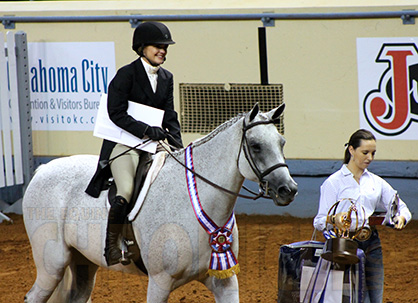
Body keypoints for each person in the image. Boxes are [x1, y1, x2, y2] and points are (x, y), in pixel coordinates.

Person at [85, 21, 183, 266]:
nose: (163, 50)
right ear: (142, 47)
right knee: (127, 189)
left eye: (165, 47)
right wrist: (146, 130)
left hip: (153, 146)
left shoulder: (167, 77)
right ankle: (112, 245)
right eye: (158, 46)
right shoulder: (126, 74)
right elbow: (115, 113)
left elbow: (169, 114)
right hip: (124, 144)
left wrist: (178, 147)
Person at [313, 129, 411, 303]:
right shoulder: (333, 183)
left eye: (373, 153)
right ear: (351, 150)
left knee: (376, 295)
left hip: (372, 242)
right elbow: (319, 221)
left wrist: (401, 218)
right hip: (344, 245)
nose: (370, 158)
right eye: (365, 152)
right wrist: (333, 219)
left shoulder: (376, 182)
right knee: (356, 297)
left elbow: (399, 207)